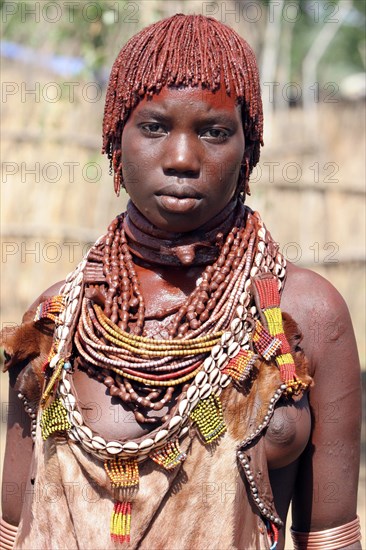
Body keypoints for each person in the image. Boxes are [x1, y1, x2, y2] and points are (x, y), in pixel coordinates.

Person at [0, 14, 361, 550]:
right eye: (154, 127)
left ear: (250, 147)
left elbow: (331, 539)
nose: (182, 159)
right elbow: (14, 530)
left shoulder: (304, 314)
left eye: (215, 132)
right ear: (116, 138)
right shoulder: (59, 319)